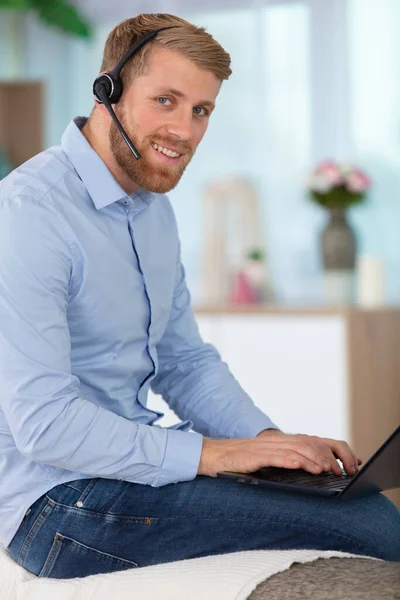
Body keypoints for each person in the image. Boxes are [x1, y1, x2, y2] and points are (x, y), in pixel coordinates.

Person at [0, 13, 399, 579]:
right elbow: (45, 425)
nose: (184, 131)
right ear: (106, 90)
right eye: (165, 100)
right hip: (59, 507)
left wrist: (267, 443)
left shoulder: (152, 210)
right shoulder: (27, 215)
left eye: (201, 110)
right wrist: (216, 454)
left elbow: (184, 362)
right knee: (375, 525)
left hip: (128, 476)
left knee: (350, 503)